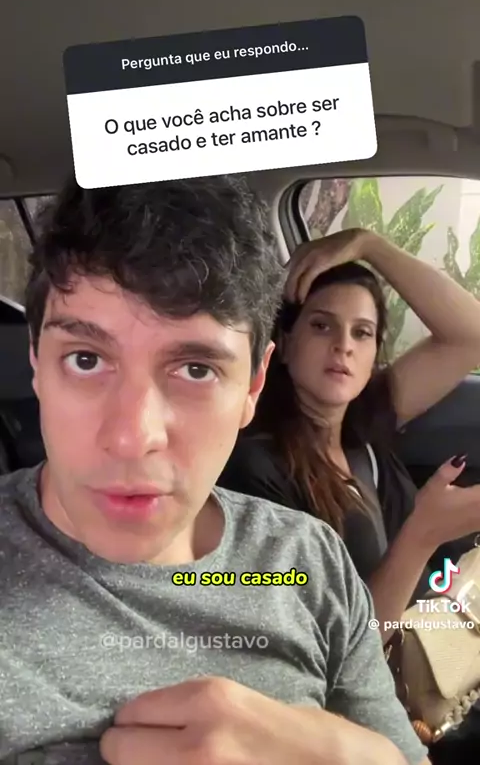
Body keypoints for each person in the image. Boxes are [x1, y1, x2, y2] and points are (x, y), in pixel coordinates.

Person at [0, 178, 429, 765]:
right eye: (86, 359)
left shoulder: (307, 562)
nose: (132, 438)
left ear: (254, 385)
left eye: (196, 370)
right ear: (36, 363)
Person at [218, 226, 480, 641]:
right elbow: (342, 648)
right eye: (322, 326)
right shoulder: (254, 471)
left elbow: (471, 336)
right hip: (395, 669)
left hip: (445, 637)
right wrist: (423, 535)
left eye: (362, 332)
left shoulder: (366, 421)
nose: (344, 346)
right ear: (284, 343)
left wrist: (370, 245)